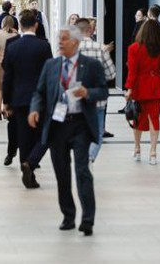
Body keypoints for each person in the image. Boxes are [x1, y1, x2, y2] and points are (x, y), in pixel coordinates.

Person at [26, 26, 109, 236]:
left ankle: (88, 219)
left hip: (80, 124)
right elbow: (40, 92)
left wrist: (88, 93)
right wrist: (35, 109)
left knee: (82, 171)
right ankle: (68, 216)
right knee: (62, 173)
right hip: (58, 125)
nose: (60, 42)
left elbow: (103, 91)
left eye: (64, 39)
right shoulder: (51, 65)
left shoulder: (91, 65)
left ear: (75, 42)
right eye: (59, 38)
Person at [4, 10, 53, 170]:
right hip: (39, 97)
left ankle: (25, 163)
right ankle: (31, 162)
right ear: (36, 25)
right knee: (40, 132)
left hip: (18, 96)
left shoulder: (12, 45)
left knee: (23, 133)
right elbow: (50, 73)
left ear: (20, 25)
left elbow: (7, 75)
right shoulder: (44, 46)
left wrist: (6, 100)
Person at [126, 19, 160, 165]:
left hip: (139, 87)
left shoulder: (134, 48)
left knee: (137, 118)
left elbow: (132, 72)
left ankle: (137, 148)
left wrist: (129, 89)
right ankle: (153, 152)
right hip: (155, 87)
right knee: (154, 118)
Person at [74, 17, 117, 160]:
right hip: (97, 100)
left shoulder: (71, 49)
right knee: (97, 133)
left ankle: (81, 157)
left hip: (75, 99)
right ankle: (89, 157)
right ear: (90, 30)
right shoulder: (100, 49)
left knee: (77, 131)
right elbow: (111, 74)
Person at [0, 15, 20, 158]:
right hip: (11, 64)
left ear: (2, 23)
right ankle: (5, 109)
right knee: (9, 86)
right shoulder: (16, 35)